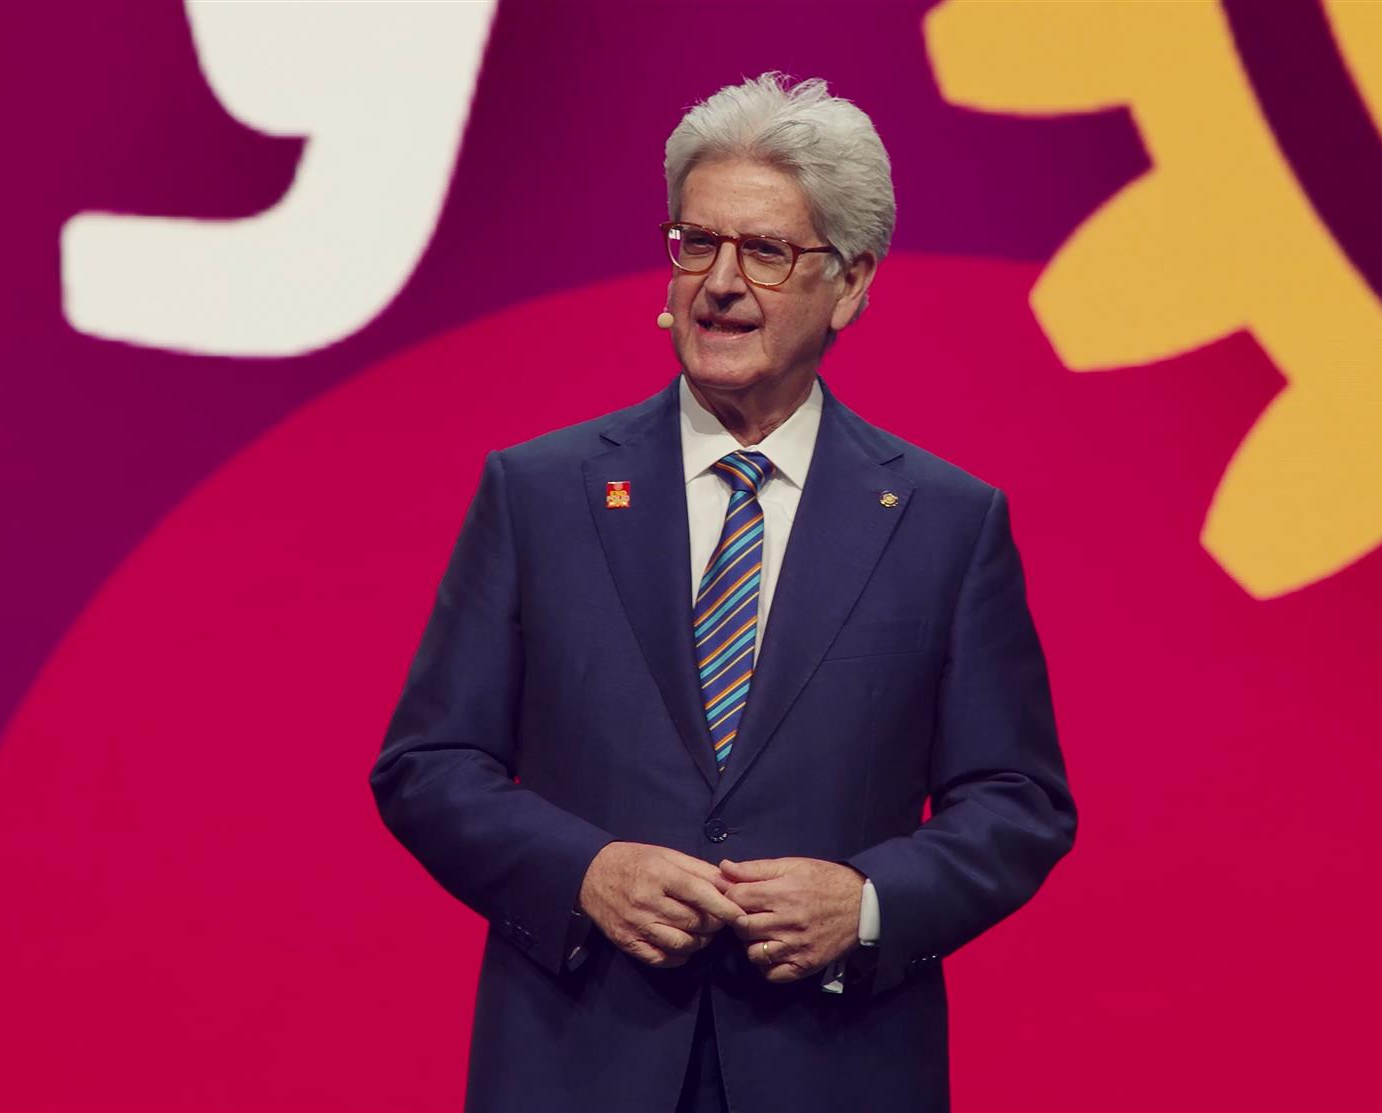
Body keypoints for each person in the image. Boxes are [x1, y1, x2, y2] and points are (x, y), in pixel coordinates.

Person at [370, 72, 1074, 1113]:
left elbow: (1017, 802)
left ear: (850, 283)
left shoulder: (945, 522)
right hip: (580, 1062)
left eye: (766, 252)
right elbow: (427, 766)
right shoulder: (540, 494)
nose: (720, 284)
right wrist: (584, 873)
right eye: (696, 243)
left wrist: (867, 903)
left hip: (833, 1066)